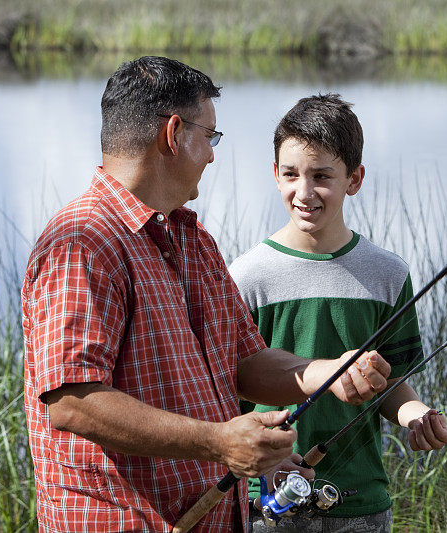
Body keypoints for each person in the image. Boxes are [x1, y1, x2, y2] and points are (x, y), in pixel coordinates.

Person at [21, 57, 392, 533]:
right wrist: (219, 442)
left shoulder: (194, 241)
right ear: (174, 134)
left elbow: (242, 362)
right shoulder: (83, 242)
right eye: (210, 137)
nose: (213, 155)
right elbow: (73, 402)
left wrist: (330, 373)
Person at [229, 94, 447, 533]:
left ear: (354, 179)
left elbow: (388, 383)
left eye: (322, 176)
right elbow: (226, 391)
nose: (304, 192)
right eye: (291, 174)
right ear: (275, 175)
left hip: (361, 500)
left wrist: (415, 416)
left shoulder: (388, 274)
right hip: (266, 500)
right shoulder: (246, 275)